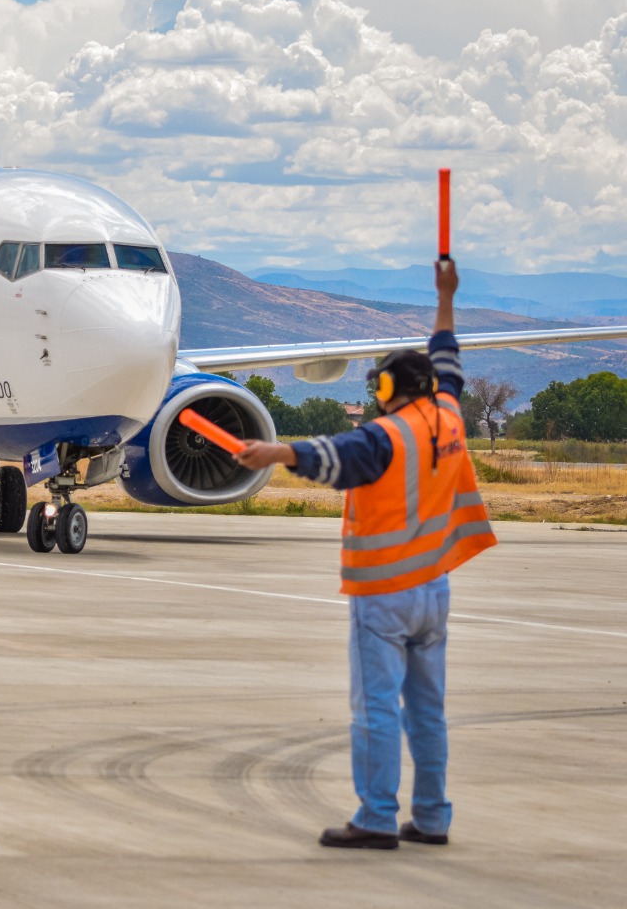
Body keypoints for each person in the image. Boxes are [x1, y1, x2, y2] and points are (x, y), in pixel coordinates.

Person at [235, 259, 497, 850]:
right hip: (435, 587)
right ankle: (432, 817)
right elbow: (447, 352)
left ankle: (377, 816)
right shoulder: (449, 413)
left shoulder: (385, 435)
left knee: (376, 709)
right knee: (427, 712)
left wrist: (273, 452)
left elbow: (332, 455)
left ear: (386, 390)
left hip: (385, 593)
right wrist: (445, 296)